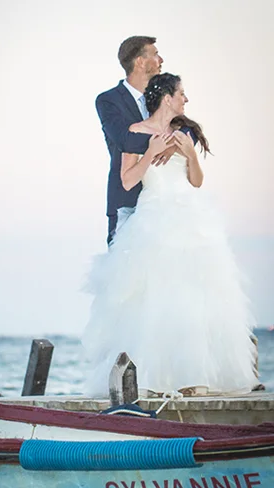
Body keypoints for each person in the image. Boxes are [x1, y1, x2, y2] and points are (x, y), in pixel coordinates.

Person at [82, 73, 258, 396]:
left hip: (191, 220)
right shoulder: (134, 133)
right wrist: (150, 152)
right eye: (181, 93)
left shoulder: (185, 132)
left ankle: (195, 377)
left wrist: (190, 153)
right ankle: (152, 379)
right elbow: (126, 181)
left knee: (194, 298)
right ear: (166, 97)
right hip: (153, 217)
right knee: (155, 298)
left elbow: (196, 181)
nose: (185, 100)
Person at [96, 36, 175, 245]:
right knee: (124, 271)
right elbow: (124, 139)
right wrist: (166, 143)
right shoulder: (107, 100)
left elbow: (188, 130)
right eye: (156, 54)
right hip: (126, 200)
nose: (161, 59)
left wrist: (175, 142)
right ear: (140, 61)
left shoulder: (163, 98)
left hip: (164, 202)